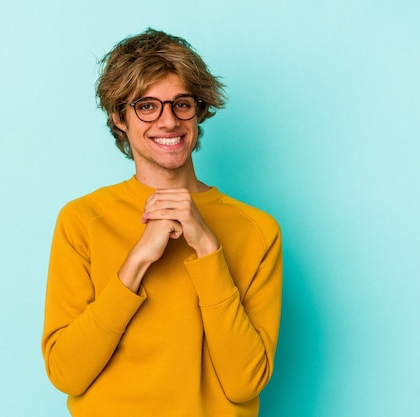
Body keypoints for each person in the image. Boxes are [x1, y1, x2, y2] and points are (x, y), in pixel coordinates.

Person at [41, 28, 283, 417]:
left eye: (181, 104)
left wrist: (208, 249)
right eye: (147, 106)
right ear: (119, 117)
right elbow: (67, 374)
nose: (168, 121)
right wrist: (136, 261)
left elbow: (244, 383)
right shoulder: (82, 220)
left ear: (199, 111)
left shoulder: (257, 229)